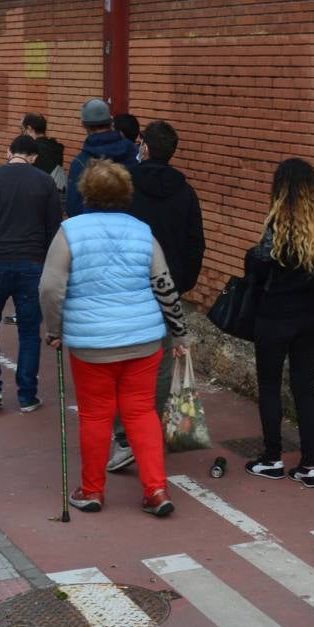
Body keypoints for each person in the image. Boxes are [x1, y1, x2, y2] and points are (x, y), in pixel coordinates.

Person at [40, 160, 189, 517]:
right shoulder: (142, 231)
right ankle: (155, 490)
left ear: (86, 192)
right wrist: (180, 331)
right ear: (126, 194)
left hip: (92, 344)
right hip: (144, 341)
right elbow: (164, 285)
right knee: (141, 412)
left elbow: (50, 288)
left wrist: (54, 329)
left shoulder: (69, 231)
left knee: (95, 416)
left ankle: (92, 491)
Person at [110, 120, 204, 472]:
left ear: (145, 148)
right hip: (169, 289)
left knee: (123, 361)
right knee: (161, 363)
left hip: (129, 288)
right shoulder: (186, 192)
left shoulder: (126, 188)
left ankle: (124, 436)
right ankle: (150, 424)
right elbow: (196, 241)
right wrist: (181, 282)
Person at [247, 158, 314, 482]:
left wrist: (252, 257)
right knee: (304, 388)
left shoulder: (277, 224)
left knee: (269, 386)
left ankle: (272, 458)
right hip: (311, 314)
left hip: (275, 316)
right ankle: (310, 465)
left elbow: (259, 266)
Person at [0, 134, 62, 412]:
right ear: (34, 157)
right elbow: (53, 230)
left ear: (8, 152)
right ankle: (27, 395)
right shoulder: (45, 182)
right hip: (32, 264)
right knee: (29, 331)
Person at [65, 98, 137, 216]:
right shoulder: (133, 152)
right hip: (129, 226)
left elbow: (73, 208)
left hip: (92, 230)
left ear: (83, 124)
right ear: (111, 121)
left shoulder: (80, 162)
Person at [20, 112, 65, 192]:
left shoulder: (33, 150)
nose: (22, 134)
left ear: (29, 129)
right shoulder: (55, 147)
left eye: (22, 130)